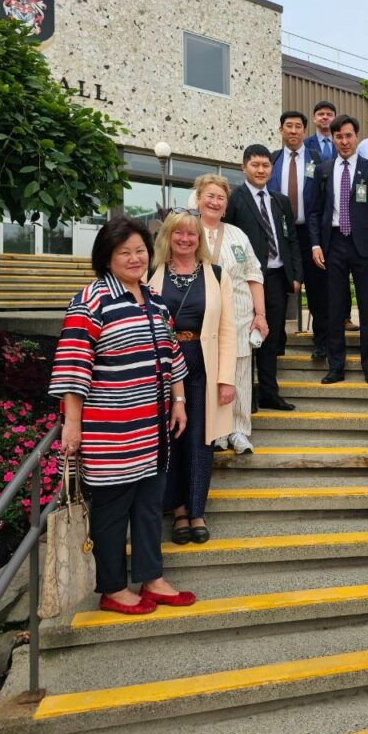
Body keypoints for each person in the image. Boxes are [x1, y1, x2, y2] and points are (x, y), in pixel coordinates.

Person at [49, 216, 194, 615]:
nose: (135, 258)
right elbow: (73, 365)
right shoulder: (91, 300)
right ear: (107, 257)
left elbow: (173, 355)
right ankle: (113, 588)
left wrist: (179, 401)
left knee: (149, 506)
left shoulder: (153, 298)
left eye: (140, 251)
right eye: (124, 252)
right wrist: (72, 426)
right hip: (110, 430)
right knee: (112, 512)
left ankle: (152, 577)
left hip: (153, 427)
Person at [150, 210, 236, 545]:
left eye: (192, 235)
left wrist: (226, 379)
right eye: (179, 234)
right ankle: (179, 511)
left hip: (204, 365)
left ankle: (197, 510)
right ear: (168, 237)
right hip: (164, 369)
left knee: (201, 440)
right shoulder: (150, 273)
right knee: (170, 438)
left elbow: (228, 330)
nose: (185, 240)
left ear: (200, 240)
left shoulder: (216, 274)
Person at [308, 114, 368, 385]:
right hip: (333, 244)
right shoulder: (324, 169)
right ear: (333, 138)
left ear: (357, 136)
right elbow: (315, 210)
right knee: (334, 308)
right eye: (338, 136)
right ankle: (336, 366)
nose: (344, 141)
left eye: (348, 135)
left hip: (366, 247)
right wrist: (316, 244)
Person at [192, 173, 267, 454]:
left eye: (220, 198)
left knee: (239, 373)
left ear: (226, 205)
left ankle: (239, 430)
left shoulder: (238, 235)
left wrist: (260, 315)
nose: (214, 202)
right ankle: (215, 431)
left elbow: (254, 275)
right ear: (198, 199)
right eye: (209, 196)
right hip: (201, 320)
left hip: (239, 316)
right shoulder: (188, 231)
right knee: (209, 374)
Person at [224, 144, 302, 411]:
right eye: (255, 165)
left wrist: (295, 274)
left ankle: (269, 393)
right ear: (244, 167)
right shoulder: (235, 199)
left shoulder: (280, 201)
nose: (260, 170)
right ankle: (247, 396)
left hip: (278, 278)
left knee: (271, 338)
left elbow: (291, 239)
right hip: (245, 281)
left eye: (265, 165)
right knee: (247, 337)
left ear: (272, 168)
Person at [268, 111, 327, 361]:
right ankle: (277, 342)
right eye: (288, 126)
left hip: (310, 234)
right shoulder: (273, 159)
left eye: (298, 127)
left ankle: (321, 341)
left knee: (317, 289)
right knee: (279, 289)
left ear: (305, 131)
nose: (293, 131)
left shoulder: (317, 158)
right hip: (280, 234)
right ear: (281, 130)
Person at [304, 99, 356, 331]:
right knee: (323, 280)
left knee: (344, 279)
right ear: (315, 118)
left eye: (329, 114)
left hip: (348, 224)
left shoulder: (350, 151)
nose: (325, 117)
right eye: (321, 114)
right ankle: (323, 324)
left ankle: (344, 316)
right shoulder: (306, 147)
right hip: (322, 222)